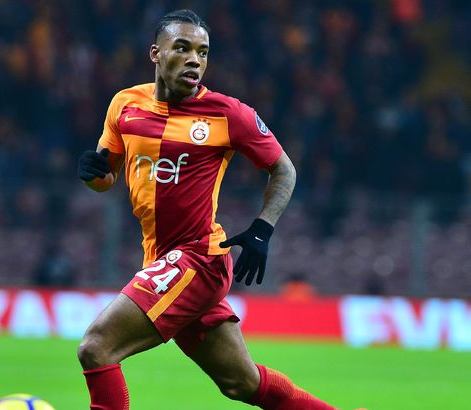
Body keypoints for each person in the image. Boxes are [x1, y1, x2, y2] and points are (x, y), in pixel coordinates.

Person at [76, 10, 339, 409]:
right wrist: (93, 175)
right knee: (242, 383)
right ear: (156, 53)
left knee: (97, 348)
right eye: (182, 48)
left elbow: (284, 169)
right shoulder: (125, 104)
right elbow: (105, 176)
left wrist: (262, 229)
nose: (194, 60)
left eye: (202, 52)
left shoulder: (227, 113)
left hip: (198, 259)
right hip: (161, 259)